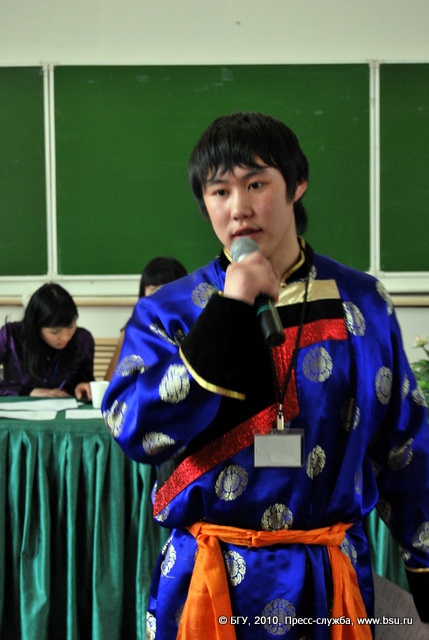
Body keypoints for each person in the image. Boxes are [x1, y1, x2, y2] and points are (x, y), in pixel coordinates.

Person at [102, 112, 429, 639]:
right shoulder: (169, 312)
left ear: (297, 184)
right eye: (220, 191)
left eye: (256, 184)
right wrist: (228, 311)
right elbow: (135, 429)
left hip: (327, 579)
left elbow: (406, 446)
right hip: (209, 578)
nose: (239, 207)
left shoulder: (362, 304)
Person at [0, 282, 94, 399]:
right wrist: (27, 392)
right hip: (19, 406)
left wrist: (81, 386)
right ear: (36, 327)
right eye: (55, 332)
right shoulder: (11, 336)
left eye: (70, 327)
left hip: (65, 407)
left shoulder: (82, 340)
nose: (65, 337)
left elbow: (84, 378)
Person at [104, 256, 187, 381]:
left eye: (166, 290)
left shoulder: (193, 327)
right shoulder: (133, 330)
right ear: (143, 293)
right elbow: (110, 380)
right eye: (153, 290)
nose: (159, 297)